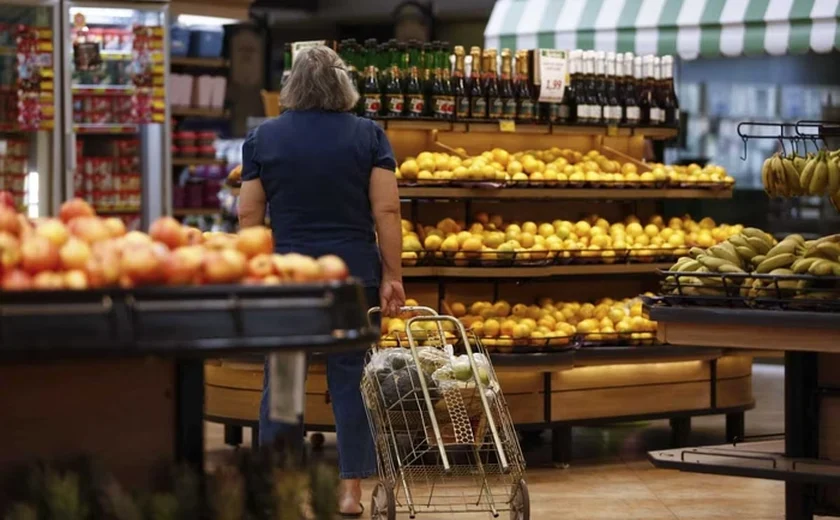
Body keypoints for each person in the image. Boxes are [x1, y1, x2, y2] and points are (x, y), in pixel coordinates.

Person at [237, 45, 406, 517]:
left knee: (285, 376)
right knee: (352, 380)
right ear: (343, 85)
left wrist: (253, 271)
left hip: (288, 277)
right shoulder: (369, 135)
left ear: (294, 85)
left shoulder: (263, 138)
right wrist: (392, 274)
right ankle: (350, 491)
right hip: (353, 275)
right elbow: (387, 210)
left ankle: (280, 484)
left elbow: (249, 211)